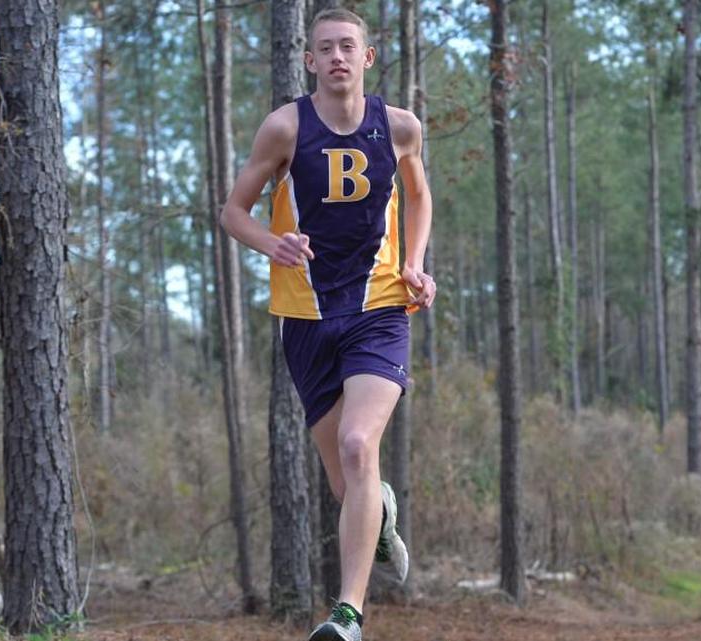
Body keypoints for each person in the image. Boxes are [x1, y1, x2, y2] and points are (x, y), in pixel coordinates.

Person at [218, 7, 434, 641]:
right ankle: (380, 509)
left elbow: (419, 197)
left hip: (379, 308)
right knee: (349, 485)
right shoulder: (284, 129)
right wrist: (271, 243)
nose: (338, 56)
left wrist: (415, 264)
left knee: (358, 446)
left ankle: (347, 616)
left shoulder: (399, 128)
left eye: (348, 47)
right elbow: (234, 212)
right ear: (309, 61)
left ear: (367, 58)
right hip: (306, 317)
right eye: (325, 49)